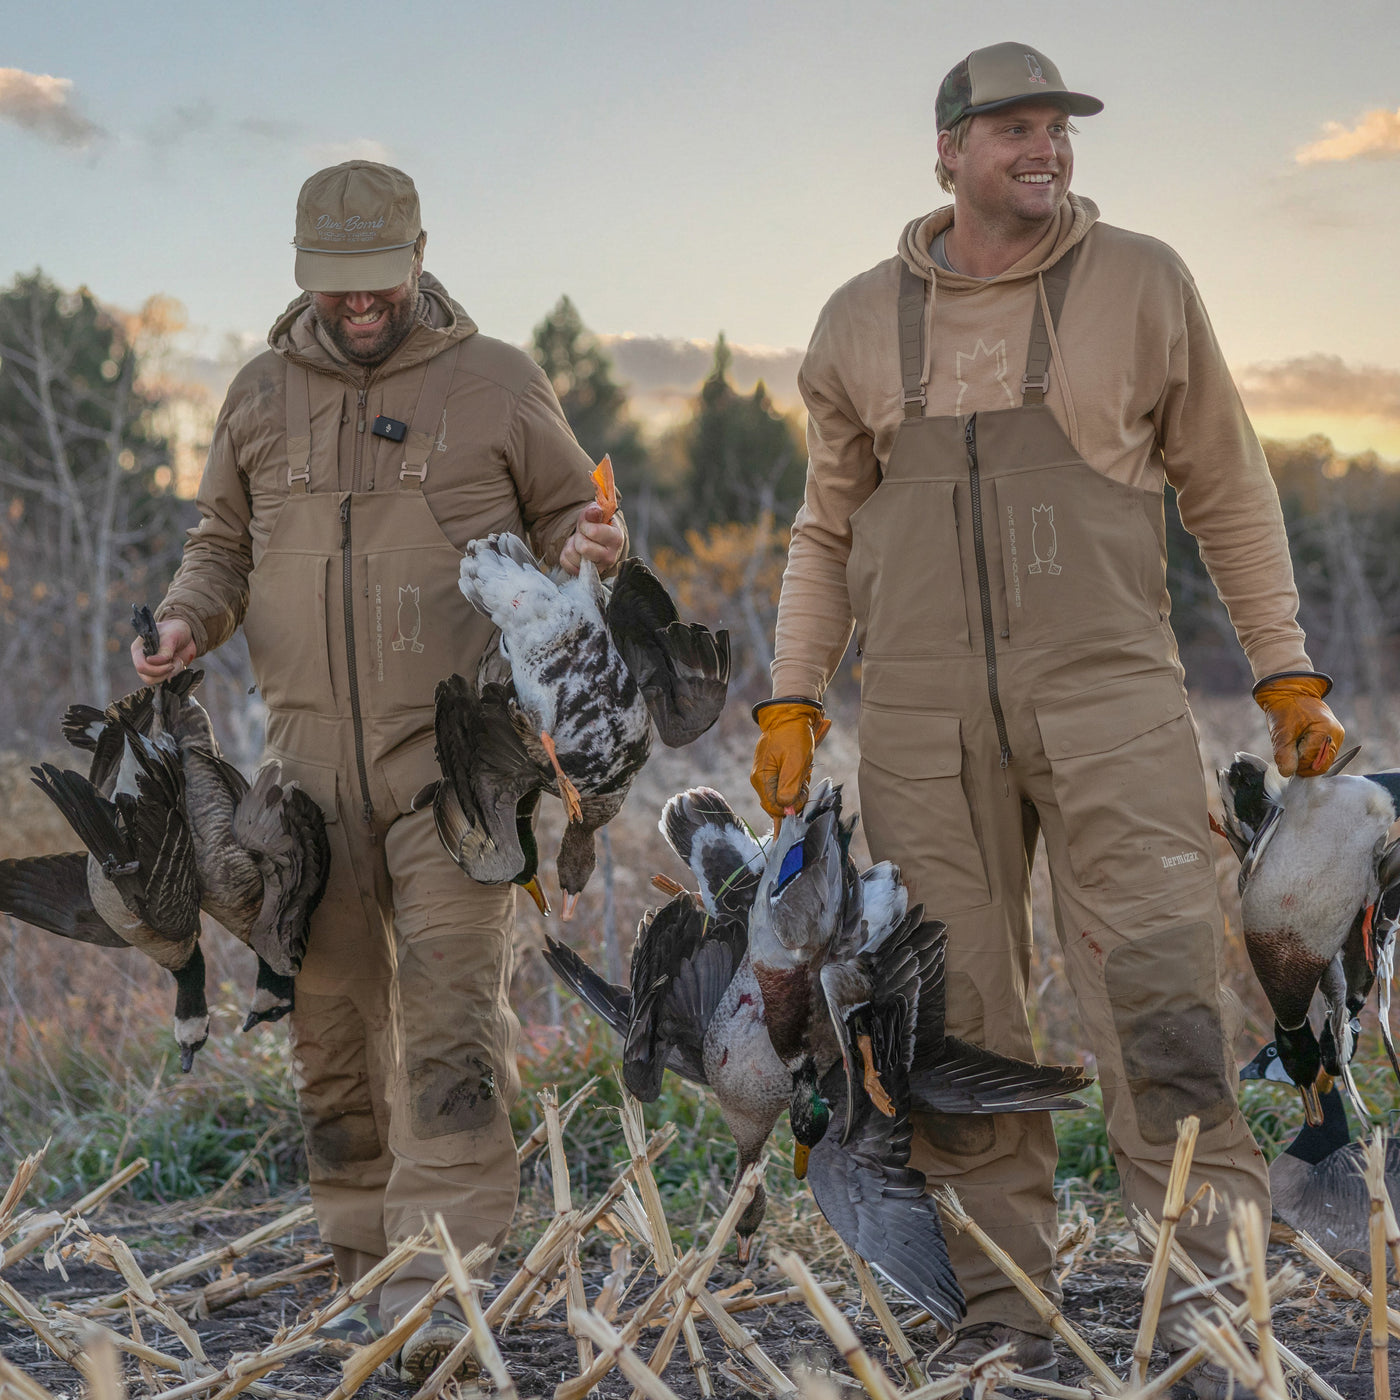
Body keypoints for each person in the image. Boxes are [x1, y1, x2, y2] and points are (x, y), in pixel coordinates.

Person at [750, 42, 1342, 1399]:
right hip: (915, 712)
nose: (1048, 150)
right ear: (948, 151)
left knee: (1156, 987)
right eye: (1015, 130)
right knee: (949, 1016)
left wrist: (1286, 673)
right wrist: (794, 693)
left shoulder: (1143, 281)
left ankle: (1211, 1291)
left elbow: (1230, 491)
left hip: (1112, 698)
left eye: (1058, 130)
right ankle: (998, 1309)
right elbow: (824, 528)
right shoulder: (854, 320)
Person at [133, 161, 625, 1381]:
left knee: (451, 1014)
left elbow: (576, 519)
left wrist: (594, 544)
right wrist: (189, 618)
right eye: (335, 286)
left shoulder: (499, 381)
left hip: (455, 760)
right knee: (330, 1019)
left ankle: (441, 1286)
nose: (359, 304)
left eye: (378, 281)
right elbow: (222, 545)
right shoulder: (255, 393)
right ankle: (360, 1263)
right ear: (304, 275)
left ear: (418, 256)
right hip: (303, 769)